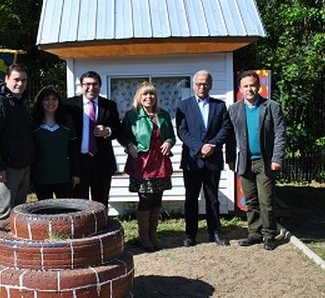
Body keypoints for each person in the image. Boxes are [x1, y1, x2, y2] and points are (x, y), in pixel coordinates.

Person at [226, 70, 287, 251]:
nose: (249, 89)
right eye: (245, 86)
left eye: (252, 85)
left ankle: (269, 235)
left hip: (265, 161)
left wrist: (277, 158)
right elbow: (230, 137)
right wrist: (230, 160)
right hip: (244, 161)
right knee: (250, 200)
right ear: (240, 89)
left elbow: (280, 134)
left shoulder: (271, 107)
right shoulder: (234, 109)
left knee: (266, 200)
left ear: (259, 86)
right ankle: (254, 233)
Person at [176, 70, 231, 247]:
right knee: (191, 198)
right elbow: (182, 131)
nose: (202, 86)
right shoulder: (183, 106)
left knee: (212, 198)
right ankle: (190, 234)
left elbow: (226, 128)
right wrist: (200, 147)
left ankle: (214, 231)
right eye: (199, 83)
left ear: (210, 85)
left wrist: (212, 145)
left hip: (213, 159)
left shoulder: (219, 106)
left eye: (205, 83)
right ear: (193, 85)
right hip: (192, 160)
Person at [118, 81, 175, 251]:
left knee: (157, 198)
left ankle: (153, 234)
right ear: (139, 97)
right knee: (145, 199)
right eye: (145, 94)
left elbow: (171, 135)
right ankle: (143, 237)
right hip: (142, 163)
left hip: (161, 162)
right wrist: (129, 146)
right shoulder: (132, 115)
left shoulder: (163, 114)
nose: (149, 97)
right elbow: (122, 135)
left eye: (151, 94)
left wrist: (169, 142)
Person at [0, 63, 34, 221]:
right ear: (6, 79)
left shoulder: (20, 101)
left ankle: (14, 245)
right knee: (4, 215)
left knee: (19, 214)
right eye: (16, 79)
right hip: (7, 169)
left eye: (24, 80)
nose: (20, 84)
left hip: (22, 165)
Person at [65, 71, 121, 207]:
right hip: (79, 161)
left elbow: (119, 129)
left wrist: (107, 131)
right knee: (79, 204)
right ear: (81, 86)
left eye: (95, 84)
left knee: (101, 203)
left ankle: (101, 227)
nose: (91, 87)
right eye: (87, 84)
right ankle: (82, 229)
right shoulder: (69, 105)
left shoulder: (109, 105)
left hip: (102, 161)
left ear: (100, 86)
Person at [30, 86, 80, 200]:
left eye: (54, 99)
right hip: (41, 176)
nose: (51, 103)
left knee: (65, 211)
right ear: (40, 102)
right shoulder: (33, 123)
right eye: (47, 99)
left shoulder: (67, 121)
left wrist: (76, 174)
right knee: (45, 213)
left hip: (64, 176)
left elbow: (74, 149)